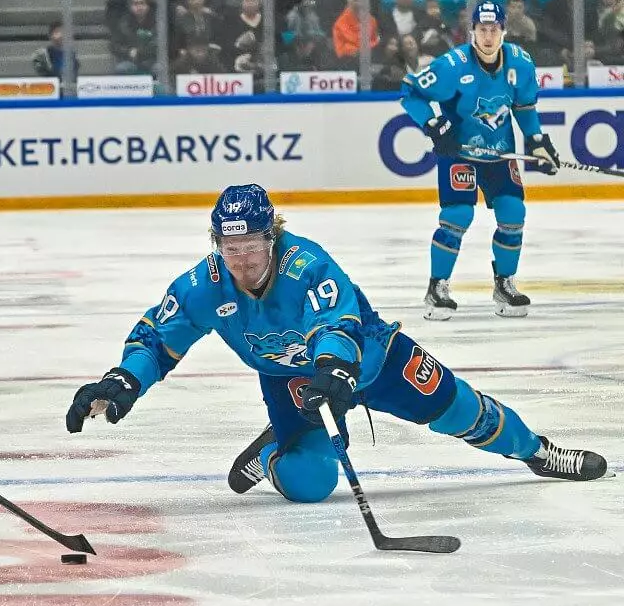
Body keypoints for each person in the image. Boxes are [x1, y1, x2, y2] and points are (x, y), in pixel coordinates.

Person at [65, 183, 608, 512]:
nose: (242, 261)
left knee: (458, 409)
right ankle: (276, 450)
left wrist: (335, 367)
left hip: (371, 357)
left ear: (271, 238)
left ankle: (537, 451)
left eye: (252, 245)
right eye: (230, 248)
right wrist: (123, 381)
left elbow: (337, 322)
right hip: (291, 380)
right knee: (310, 484)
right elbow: (159, 339)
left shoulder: (308, 264)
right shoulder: (204, 285)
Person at [400, 1, 561, 320]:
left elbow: (525, 109)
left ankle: (504, 283)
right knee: (458, 215)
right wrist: (433, 125)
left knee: (514, 212)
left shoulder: (521, 63)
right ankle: (437, 287)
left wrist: (538, 141)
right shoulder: (453, 65)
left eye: (494, 29)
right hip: (458, 152)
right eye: (482, 30)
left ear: (503, 31)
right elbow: (411, 92)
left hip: (498, 153)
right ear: (472, 31)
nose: (488, 36)